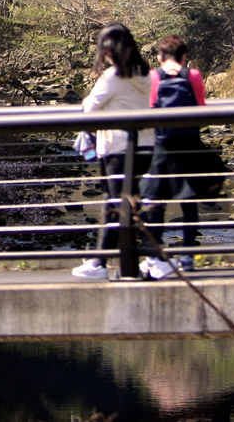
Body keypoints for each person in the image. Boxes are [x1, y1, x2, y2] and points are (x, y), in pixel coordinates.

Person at [71, 24, 156, 281]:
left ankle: (100, 263)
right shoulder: (148, 74)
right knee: (138, 203)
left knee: (113, 204)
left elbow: (89, 108)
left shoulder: (113, 77)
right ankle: (151, 258)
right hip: (147, 146)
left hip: (117, 149)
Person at [142, 35, 209, 272]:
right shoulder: (193, 75)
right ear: (185, 56)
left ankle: (157, 254)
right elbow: (201, 107)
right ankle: (188, 256)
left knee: (156, 201)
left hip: (162, 147)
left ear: (160, 57)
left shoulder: (154, 76)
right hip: (189, 144)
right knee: (189, 202)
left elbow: (150, 108)